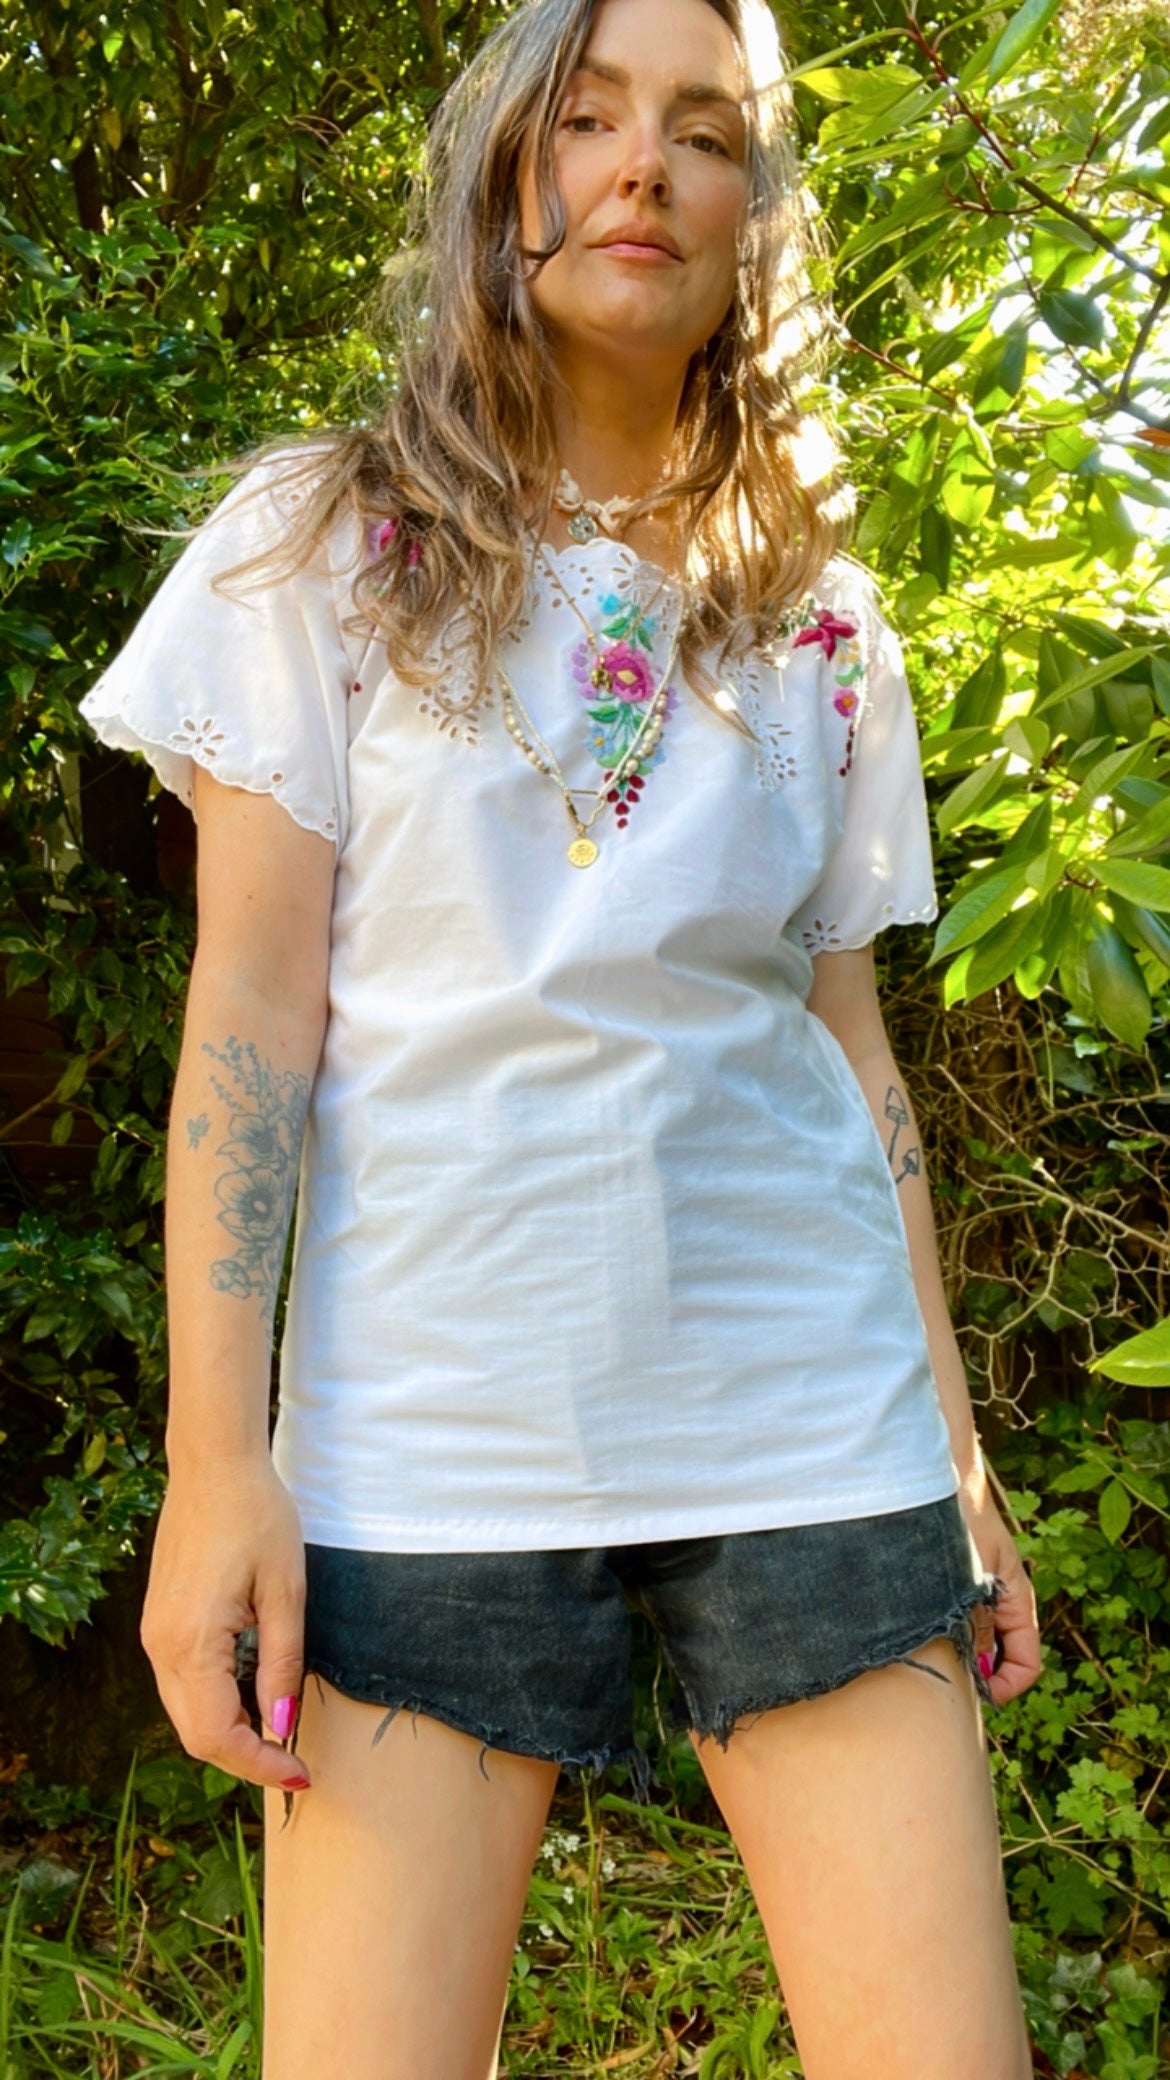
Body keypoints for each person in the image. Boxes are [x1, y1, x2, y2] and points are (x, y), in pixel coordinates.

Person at [78, 0, 1044, 2072]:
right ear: (506, 174)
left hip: (814, 1427)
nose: (643, 165)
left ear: (752, 211)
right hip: (425, 1448)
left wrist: (953, 1452)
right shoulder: (313, 546)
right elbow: (248, 1020)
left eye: (703, 130)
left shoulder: (817, 613)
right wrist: (214, 1465)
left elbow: (854, 1050)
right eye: (588, 117)